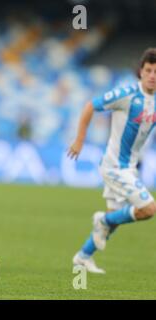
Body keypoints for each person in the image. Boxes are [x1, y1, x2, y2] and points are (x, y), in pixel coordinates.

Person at [68, 48, 156, 274]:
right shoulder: (127, 94)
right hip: (115, 166)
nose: (152, 75)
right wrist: (79, 140)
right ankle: (102, 220)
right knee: (148, 209)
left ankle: (82, 257)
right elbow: (91, 105)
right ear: (141, 71)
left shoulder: (153, 102)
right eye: (148, 70)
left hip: (130, 167)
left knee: (115, 219)